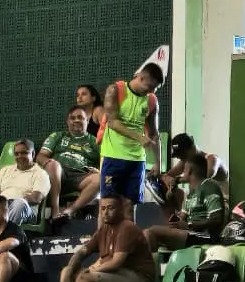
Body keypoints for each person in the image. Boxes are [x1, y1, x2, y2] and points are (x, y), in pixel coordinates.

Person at [60, 195, 157, 282]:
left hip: (139, 276)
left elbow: (116, 262)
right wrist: (71, 268)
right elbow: (83, 251)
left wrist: (94, 270)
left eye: (110, 208)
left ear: (120, 210)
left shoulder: (126, 228)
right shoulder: (104, 229)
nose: (106, 212)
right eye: (103, 208)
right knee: (66, 273)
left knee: (84, 278)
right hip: (116, 273)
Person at [98, 62, 164, 220]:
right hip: (113, 157)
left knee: (129, 206)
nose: (150, 92)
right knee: (108, 205)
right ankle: (103, 237)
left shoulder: (151, 100)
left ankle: (128, 236)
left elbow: (154, 134)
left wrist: (158, 162)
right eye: (149, 87)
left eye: (154, 89)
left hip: (136, 161)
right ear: (140, 78)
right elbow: (112, 122)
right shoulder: (115, 90)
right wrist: (139, 137)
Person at [144, 154, 226, 251]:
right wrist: (176, 223)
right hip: (191, 233)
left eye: (184, 170)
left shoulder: (209, 186)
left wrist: (189, 225)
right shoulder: (191, 193)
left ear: (190, 170)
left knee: (152, 232)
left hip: (205, 236)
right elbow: (182, 218)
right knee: (145, 233)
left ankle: (151, 261)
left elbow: (216, 219)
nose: (183, 173)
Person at [39, 106, 102, 222]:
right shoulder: (57, 136)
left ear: (87, 121)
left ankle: (70, 210)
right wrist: (48, 163)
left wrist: (99, 171)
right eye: (72, 118)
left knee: (100, 178)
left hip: (81, 176)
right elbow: (41, 156)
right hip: (58, 174)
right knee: (53, 165)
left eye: (80, 117)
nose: (76, 120)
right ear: (67, 122)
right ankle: (55, 211)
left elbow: (106, 163)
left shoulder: (95, 141)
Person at [0, 139, 50, 225]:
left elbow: (36, 198)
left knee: (20, 203)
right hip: (1, 207)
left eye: (24, 153)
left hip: (26, 210)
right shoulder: (5, 170)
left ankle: (6, 232)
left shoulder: (41, 173)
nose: (19, 156)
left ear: (33, 154)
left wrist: (11, 202)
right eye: (16, 154)